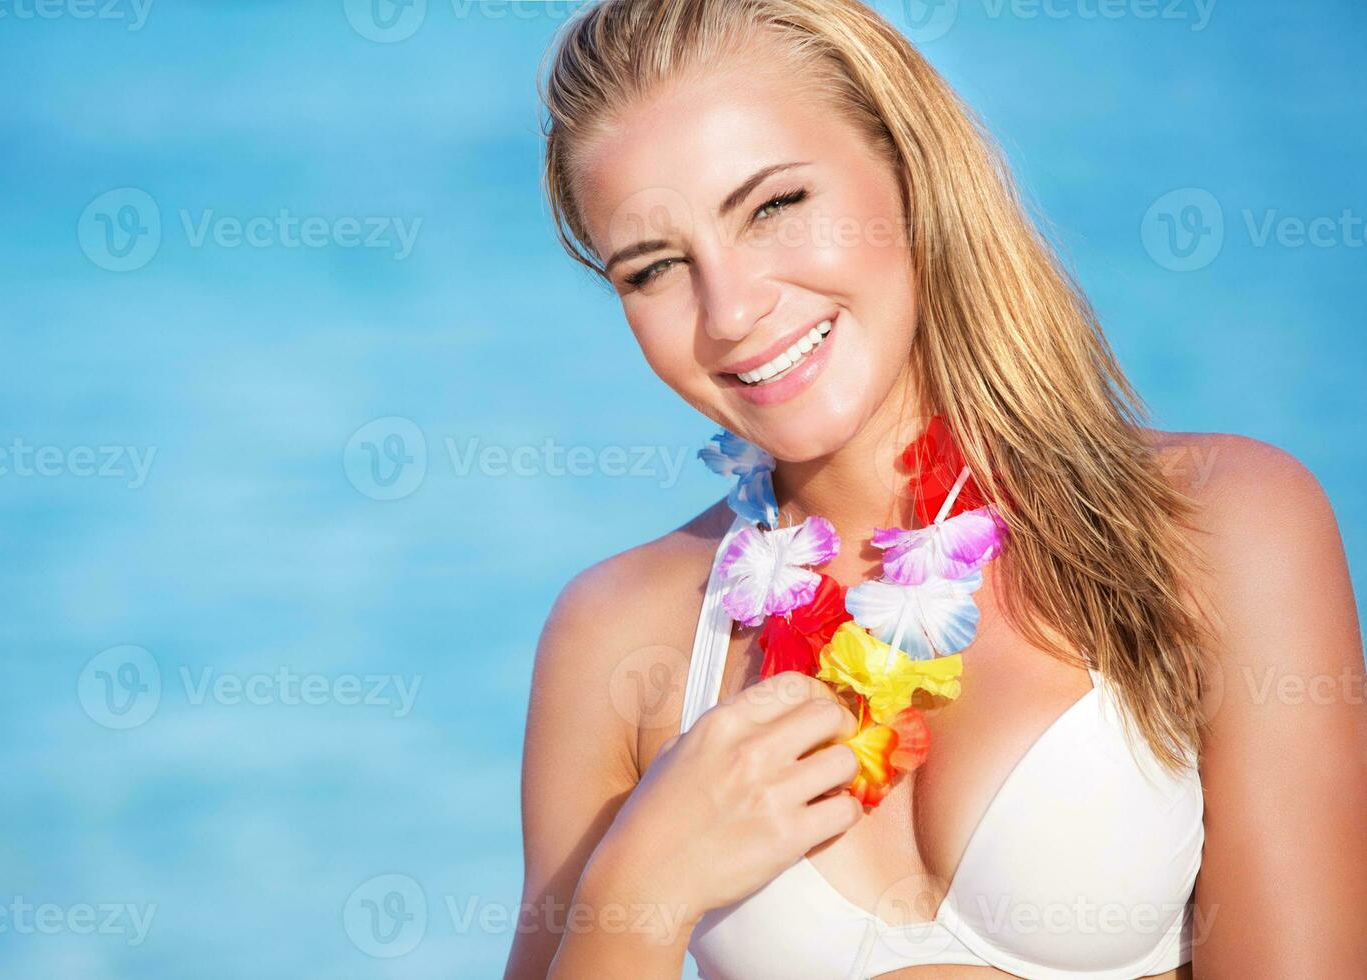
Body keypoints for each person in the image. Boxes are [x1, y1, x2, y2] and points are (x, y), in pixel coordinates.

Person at [505, 1, 1367, 976]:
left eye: (774, 205)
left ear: (907, 169)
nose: (732, 310)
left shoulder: (1218, 527)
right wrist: (638, 891)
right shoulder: (614, 635)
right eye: (654, 267)